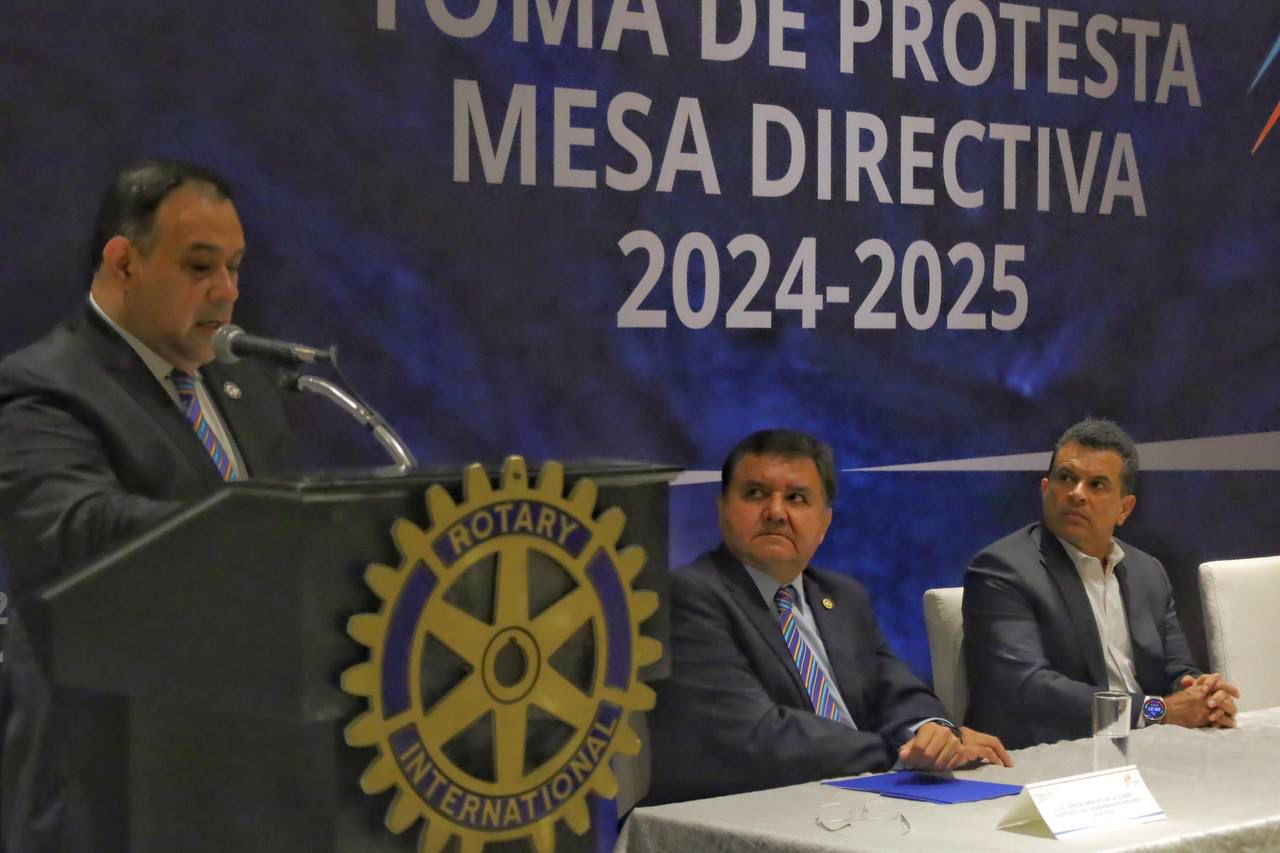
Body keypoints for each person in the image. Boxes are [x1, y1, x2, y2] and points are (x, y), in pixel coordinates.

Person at [0, 158, 298, 852]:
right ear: (124, 263)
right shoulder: (41, 388)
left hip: (241, 769)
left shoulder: (247, 390)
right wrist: (256, 531)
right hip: (106, 771)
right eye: (200, 266)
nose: (227, 291)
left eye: (235, 267)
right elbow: (76, 530)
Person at [646, 429, 1010, 805]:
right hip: (746, 812)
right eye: (755, 493)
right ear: (722, 509)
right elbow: (756, 735)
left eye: (796, 498)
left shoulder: (842, 596)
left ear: (824, 523)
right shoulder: (688, 595)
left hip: (856, 802)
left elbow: (898, 692)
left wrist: (934, 733)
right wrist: (899, 755)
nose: (775, 512)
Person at [963, 417, 1239, 749]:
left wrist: (1204, 696)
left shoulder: (1147, 572)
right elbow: (1029, 691)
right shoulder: (1002, 570)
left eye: (1096, 485)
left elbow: (1177, 668)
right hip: (1057, 753)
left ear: (1124, 508)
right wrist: (1156, 711)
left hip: (1151, 746)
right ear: (1045, 489)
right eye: (1067, 478)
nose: (1077, 494)